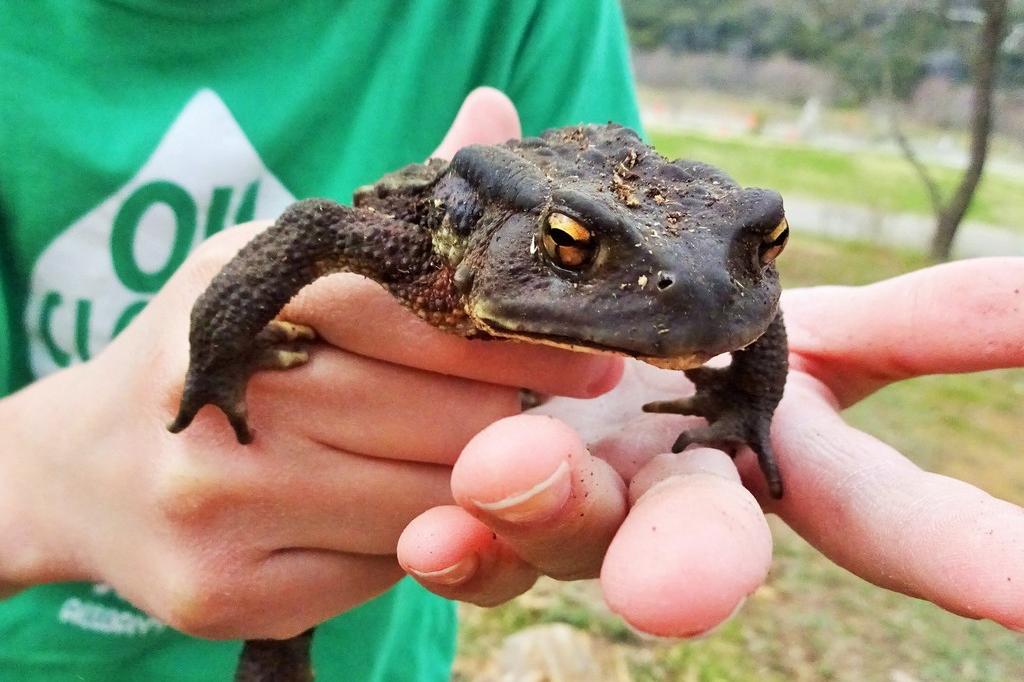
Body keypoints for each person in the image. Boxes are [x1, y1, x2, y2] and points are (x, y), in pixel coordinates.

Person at [2, 4, 1022, 682]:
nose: (728, 281)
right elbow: (315, 229)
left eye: (770, 242)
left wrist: (746, 401)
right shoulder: (422, 254)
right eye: (575, 248)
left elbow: (725, 290)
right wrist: (208, 363)